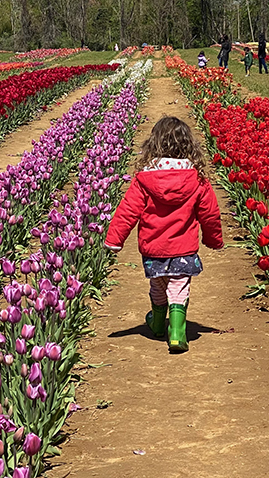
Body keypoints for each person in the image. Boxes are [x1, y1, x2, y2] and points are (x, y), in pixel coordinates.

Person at [105, 116, 223, 353]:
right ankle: (178, 332)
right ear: (189, 146)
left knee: (158, 286)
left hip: (153, 249)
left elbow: (127, 211)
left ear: (154, 144)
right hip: (184, 249)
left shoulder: (144, 179)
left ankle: (158, 324)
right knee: (178, 288)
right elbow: (210, 213)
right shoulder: (197, 179)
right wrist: (213, 239)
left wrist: (114, 240)